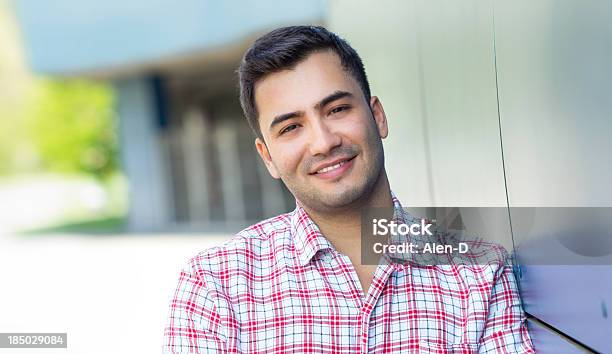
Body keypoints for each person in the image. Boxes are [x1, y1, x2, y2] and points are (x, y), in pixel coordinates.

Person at [163, 26, 535, 353]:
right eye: (291, 127)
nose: (323, 142)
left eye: (337, 109)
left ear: (377, 116)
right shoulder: (216, 286)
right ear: (268, 157)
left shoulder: (478, 273)